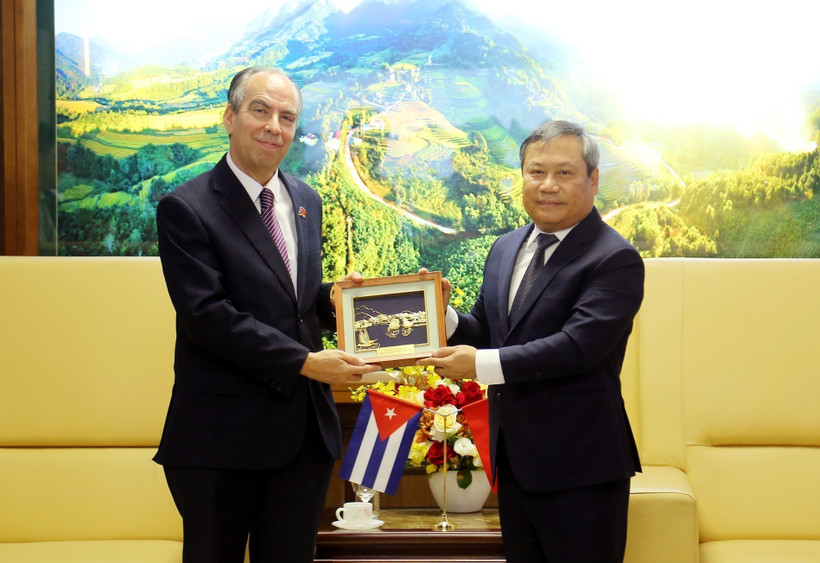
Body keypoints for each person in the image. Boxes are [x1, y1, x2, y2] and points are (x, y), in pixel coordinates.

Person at [153, 66, 379, 563]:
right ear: (229, 117)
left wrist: (333, 299)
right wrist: (306, 362)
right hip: (221, 438)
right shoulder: (185, 207)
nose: (274, 126)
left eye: (287, 116)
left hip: (301, 434)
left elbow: (291, 303)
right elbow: (208, 316)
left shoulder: (304, 199)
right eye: (260, 110)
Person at [425, 120, 644, 562]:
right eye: (536, 172)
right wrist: (440, 313)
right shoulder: (506, 247)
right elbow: (487, 332)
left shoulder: (615, 258)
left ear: (593, 180)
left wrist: (480, 365)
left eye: (564, 173)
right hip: (517, 465)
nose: (547, 185)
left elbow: (577, 347)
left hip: (582, 467)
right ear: (521, 176)